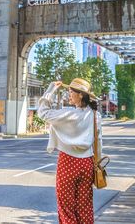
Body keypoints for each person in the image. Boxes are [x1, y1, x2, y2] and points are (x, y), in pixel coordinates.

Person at [38, 78, 102, 224]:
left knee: (66, 207)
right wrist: (97, 164)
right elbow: (99, 141)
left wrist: (50, 90)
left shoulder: (68, 114)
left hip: (68, 162)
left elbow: (43, 113)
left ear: (80, 95)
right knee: (85, 206)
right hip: (87, 163)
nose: (69, 94)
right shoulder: (95, 115)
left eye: (71, 91)